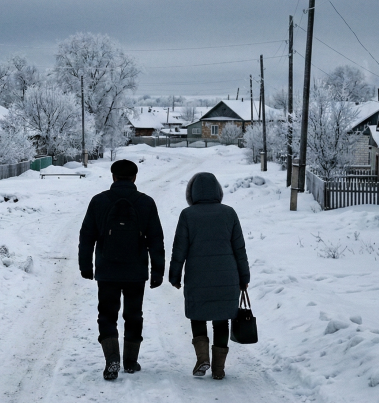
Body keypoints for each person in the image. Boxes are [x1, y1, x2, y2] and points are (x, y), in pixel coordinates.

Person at [78, 159, 165, 381]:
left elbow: (87, 236)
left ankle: (111, 360)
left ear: (113, 176)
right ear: (135, 177)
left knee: (107, 315)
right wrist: (157, 271)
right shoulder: (146, 203)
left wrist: (86, 266)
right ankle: (130, 361)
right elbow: (156, 239)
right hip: (136, 272)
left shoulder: (99, 201)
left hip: (107, 270)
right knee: (134, 315)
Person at [168, 172, 250, 380]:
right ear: (218, 191)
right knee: (222, 320)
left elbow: (180, 249)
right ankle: (219, 368)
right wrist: (244, 277)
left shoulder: (188, 215)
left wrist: (175, 275)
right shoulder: (229, 213)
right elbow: (239, 249)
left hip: (197, 276)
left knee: (198, 316)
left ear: (192, 193)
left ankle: (202, 358)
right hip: (227, 276)